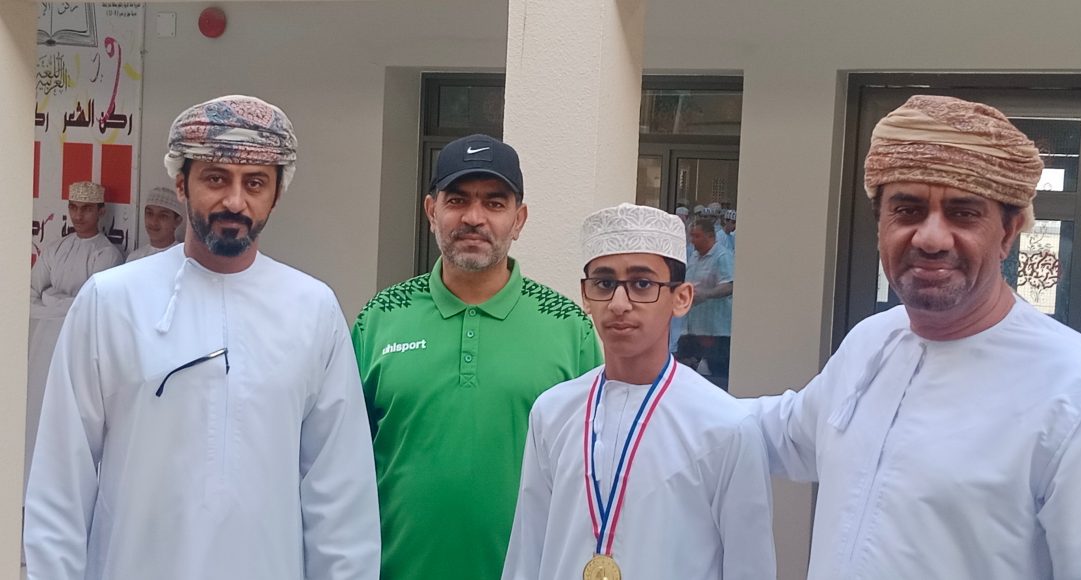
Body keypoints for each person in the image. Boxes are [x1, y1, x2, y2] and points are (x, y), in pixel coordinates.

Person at [750, 95, 1081, 579]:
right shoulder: (872, 342)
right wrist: (661, 390)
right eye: (907, 210)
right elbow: (785, 435)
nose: (930, 238)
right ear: (880, 224)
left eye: (963, 213)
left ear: (1008, 232)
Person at [24, 95, 381, 580]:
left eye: (255, 183)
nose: (235, 201)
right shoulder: (111, 301)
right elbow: (61, 480)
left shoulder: (312, 310)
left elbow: (340, 492)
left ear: (276, 194)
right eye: (215, 178)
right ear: (182, 183)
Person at [351, 134, 601, 580]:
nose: (473, 217)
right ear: (432, 211)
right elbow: (340, 464)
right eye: (458, 200)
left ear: (519, 219)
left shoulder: (568, 327)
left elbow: (591, 476)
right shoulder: (380, 318)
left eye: (494, 203)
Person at [501, 203, 775, 580]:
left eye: (642, 284)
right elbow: (526, 554)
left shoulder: (726, 427)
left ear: (681, 298)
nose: (619, 304)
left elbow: (749, 568)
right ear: (585, 295)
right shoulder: (552, 413)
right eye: (604, 284)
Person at [26, 181, 123, 486]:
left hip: (78, 349)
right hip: (43, 346)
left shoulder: (107, 254)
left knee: (69, 419)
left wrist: (50, 297)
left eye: (87, 209)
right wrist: (62, 303)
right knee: (37, 412)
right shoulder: (55, 249)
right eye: (74, 207)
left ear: (101, 212)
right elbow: (28, 297)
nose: (78, 215)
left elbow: (90, 307)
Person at [677, 218, 734, 383]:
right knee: (686, 377)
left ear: (710, 236)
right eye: (691, 236)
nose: (692, 240)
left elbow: (729, 286)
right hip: (692, 328)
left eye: (697, 236)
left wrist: (707, 294)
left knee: (717, 377)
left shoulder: (722, 256)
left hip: (716, 331)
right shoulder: (694, 256)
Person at [126, 186, 184, 261]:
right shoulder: (134, 259)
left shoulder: (183, 259)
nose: (154, 222)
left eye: (163, 216)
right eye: (149, 213)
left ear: (177, 221)